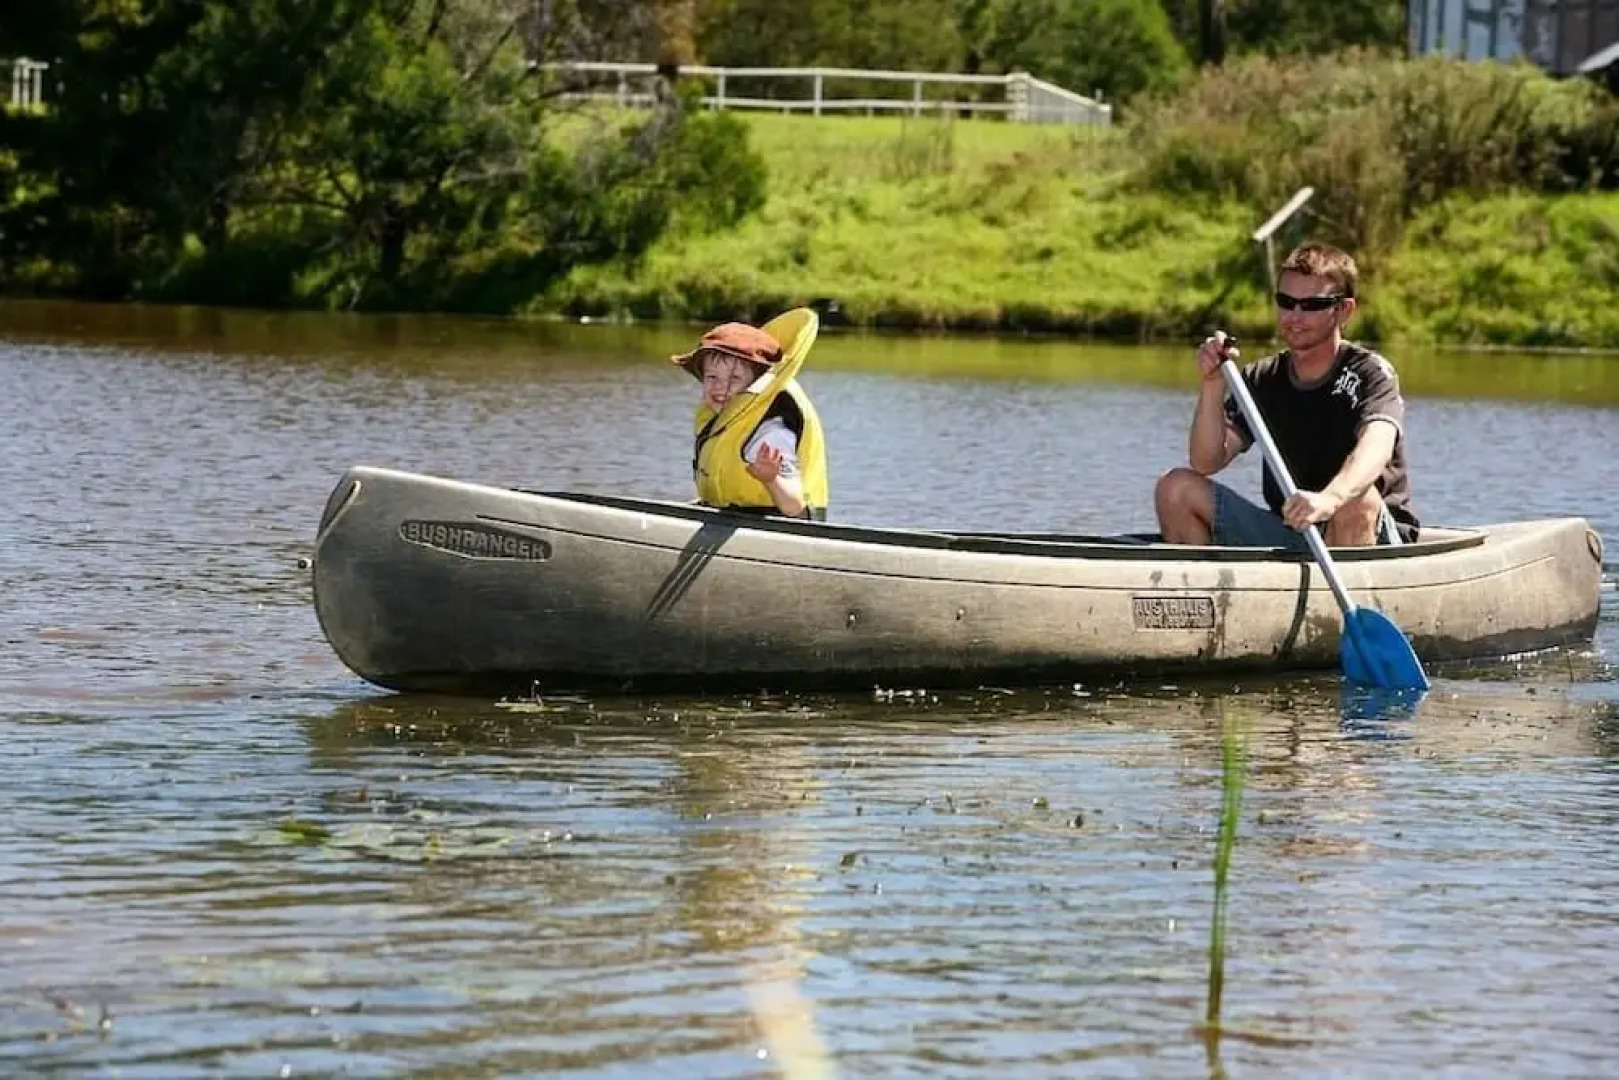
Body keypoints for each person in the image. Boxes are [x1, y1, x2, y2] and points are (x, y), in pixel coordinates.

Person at [1154, 242, 1419, 548]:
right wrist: (1213, 383)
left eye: (1311, 305)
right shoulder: (1262, 378)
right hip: (1294, 530)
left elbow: (1378, 446)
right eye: (1286, 302)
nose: (1294, 316)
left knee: (1357, 500)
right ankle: (1205, 593)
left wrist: (1329, 499)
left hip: (1370, 530)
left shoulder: (1370, 373)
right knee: (1174, 488)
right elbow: (1206, 461)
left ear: (1343, 310)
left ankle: (1337, 590)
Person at [671, 309, 829, 520]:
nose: (721, 387)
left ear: (757, 385)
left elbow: (795, 507)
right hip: (736, 519)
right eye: (712, 377)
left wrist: (771, 479)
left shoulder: (771, 433)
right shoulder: (724, 421)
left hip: (782, 531)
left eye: (734, 378)